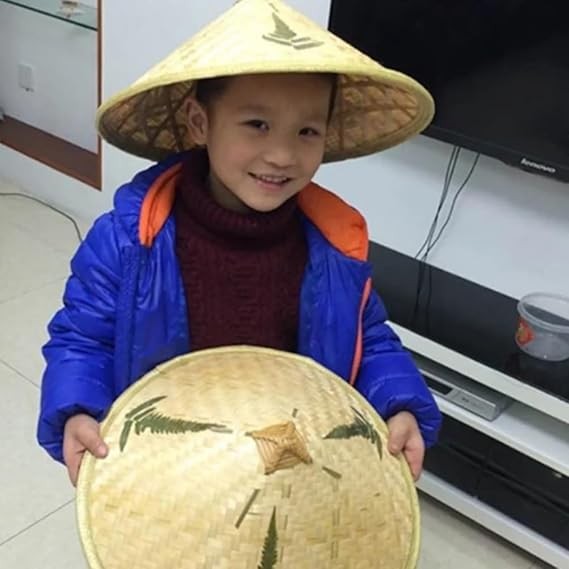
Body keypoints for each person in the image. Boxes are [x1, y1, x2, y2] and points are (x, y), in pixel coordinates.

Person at [37, 0, 442, 486]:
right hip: (169, 460)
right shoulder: (129, 241)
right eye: (257, 125)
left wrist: (399, 404)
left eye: (307, 131)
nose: (282, 154)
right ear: (200, 123)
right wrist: (78, 410)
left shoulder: (335, 249)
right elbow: (83, 339)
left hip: (284, 463)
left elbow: (368, 337)